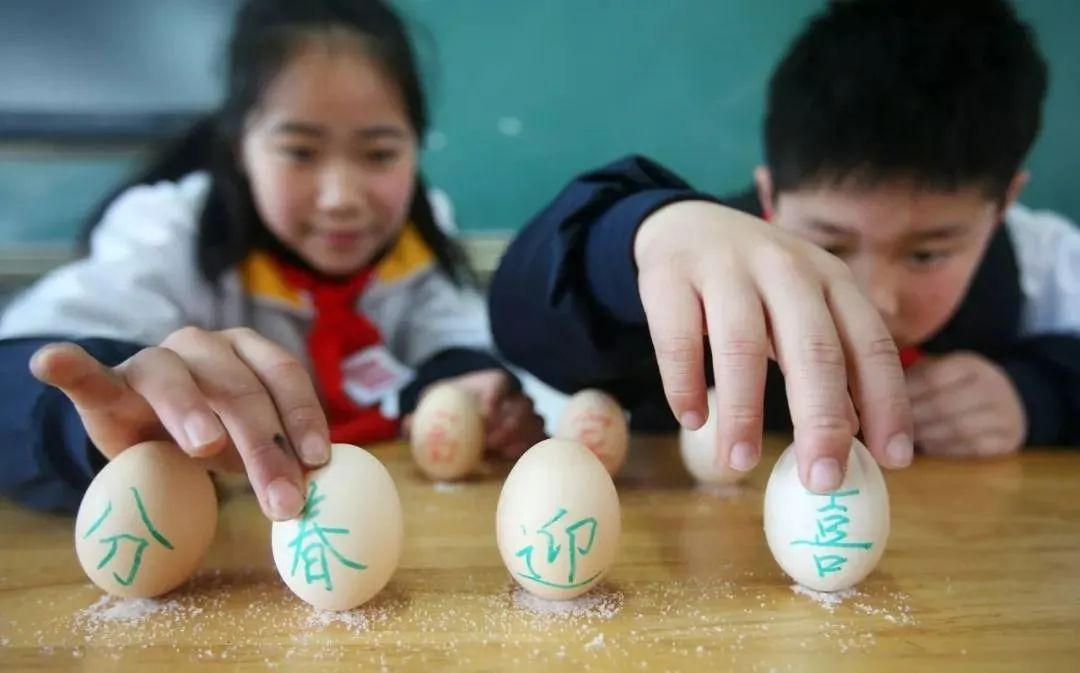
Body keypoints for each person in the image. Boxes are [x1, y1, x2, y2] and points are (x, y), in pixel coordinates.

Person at [489, 0, 1080, 494]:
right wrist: (638, 233)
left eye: (928, 253)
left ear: (1004, 204)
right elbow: (526, 321)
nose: (874, 298)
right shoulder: (697, 257)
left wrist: (1036, 393)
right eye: (829, 243)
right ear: (770, 195)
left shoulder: (1040, 261)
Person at [0, 0, 544, 517]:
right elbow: (23, 371)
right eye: (300, 152)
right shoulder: (168, 235)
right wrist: (89, 416)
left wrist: (471, 384)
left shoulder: (416, 241)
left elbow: (451, 333)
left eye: (380, 154)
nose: (341, 199)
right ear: (240, 147)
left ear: (415, 147)